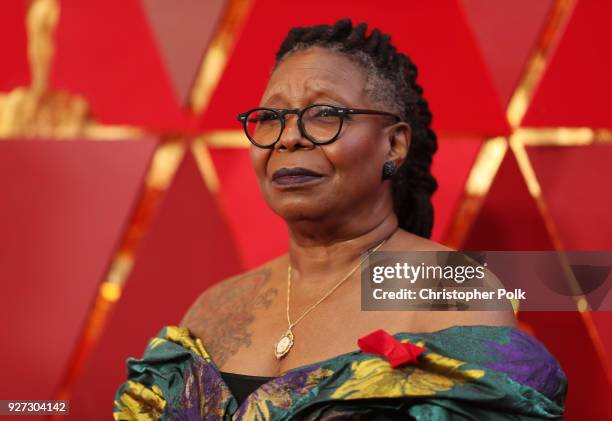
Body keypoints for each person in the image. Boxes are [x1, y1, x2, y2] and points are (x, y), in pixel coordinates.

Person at [113, 19, 566, 420]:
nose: (288, 138)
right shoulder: (214, 307)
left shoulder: (450, 291)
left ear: (394, 145)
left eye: (325, 114)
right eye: (271, 118)